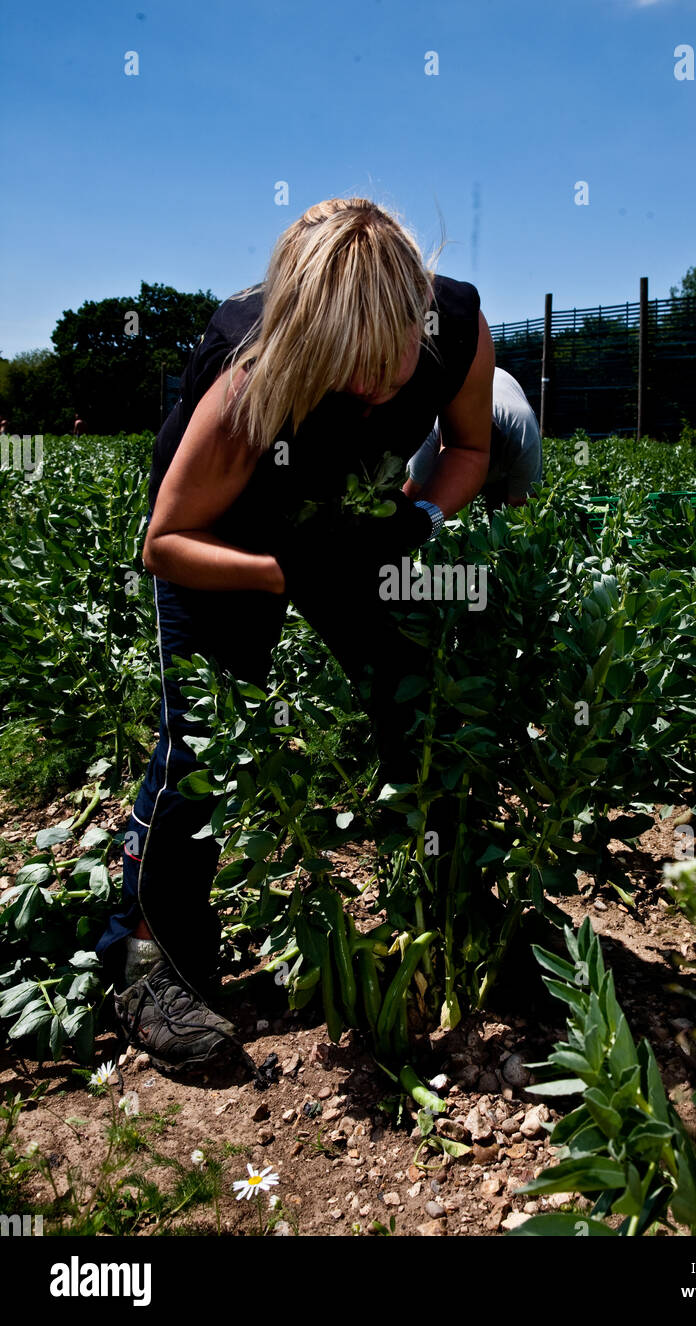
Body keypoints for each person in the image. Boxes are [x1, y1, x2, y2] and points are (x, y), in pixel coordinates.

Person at [95, 197, 495, 1076]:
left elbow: (470, 449)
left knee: (419, 702)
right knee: (203, 743)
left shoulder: (458, 324)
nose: (368, 392)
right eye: (340, 372)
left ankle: (459, 910)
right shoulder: (248, 376)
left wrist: (416, 518)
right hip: (225, 536)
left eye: (383, 369)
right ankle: (146, 967)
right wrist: (289, 573)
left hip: (349, 519)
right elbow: (164, 545)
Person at [405, 366, 541, 517]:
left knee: (501, 515)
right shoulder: (429, 431)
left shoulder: (523, 439)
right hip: (473, 383)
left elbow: (521, 507)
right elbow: (411, 495)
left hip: (504, 390)